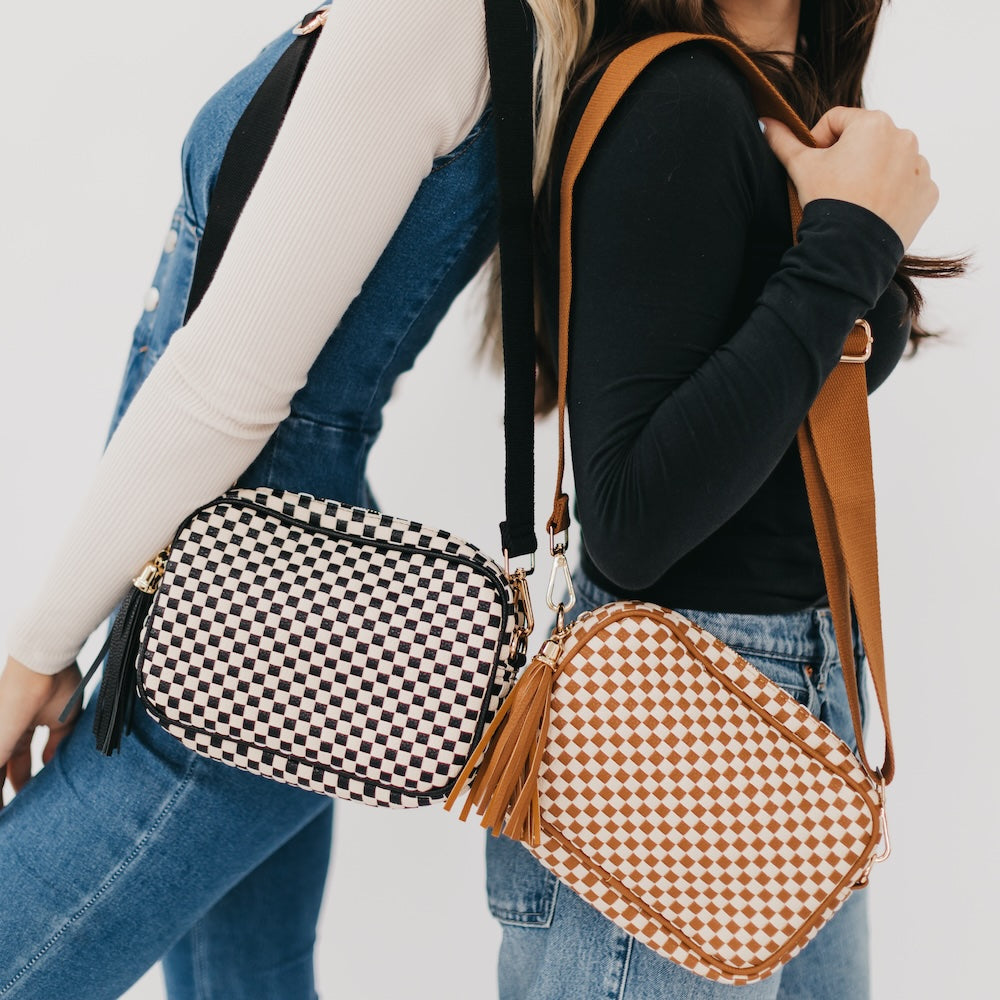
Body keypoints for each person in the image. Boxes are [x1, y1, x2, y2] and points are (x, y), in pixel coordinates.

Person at [0, 2, 589, 997]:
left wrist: (34, 654)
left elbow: (225, 390)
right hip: (246, 589)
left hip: (239, 616)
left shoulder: (434, 14)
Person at [483, 1, 952, 998]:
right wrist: (847, 247)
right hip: (686, 737)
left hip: (782, 708)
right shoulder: (684, 100)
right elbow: (633, 521)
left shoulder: (767, 95)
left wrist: (851, 249)